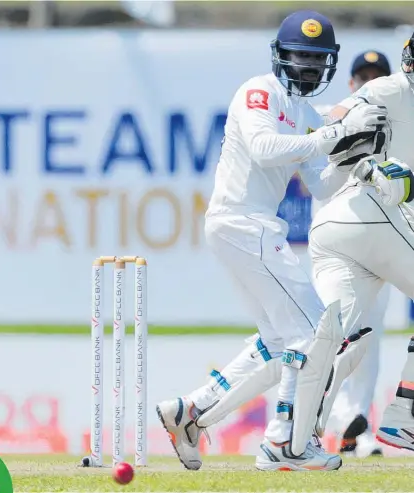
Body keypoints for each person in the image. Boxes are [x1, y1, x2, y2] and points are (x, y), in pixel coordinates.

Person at [156, 10, 390, 472]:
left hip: (253, 229)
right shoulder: (258, 91)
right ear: (280, 56)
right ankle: (284, 441)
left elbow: (320, 185)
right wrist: (333, 135)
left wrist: (352, 154)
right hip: (244, 224)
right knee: (315, 333)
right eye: (300, 57)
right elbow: (264, 149)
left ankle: (192, 412)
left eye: (317, 59)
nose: (308, 67)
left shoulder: (303, 112)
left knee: (282, 339)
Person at [308, 32, 414, 454]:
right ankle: (403, 415)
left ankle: (299, 428)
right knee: (348, 330)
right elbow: (334, 118)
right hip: (375, 221)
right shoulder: (388, 89)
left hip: (390, 228)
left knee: (351, 332)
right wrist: (368, 162)